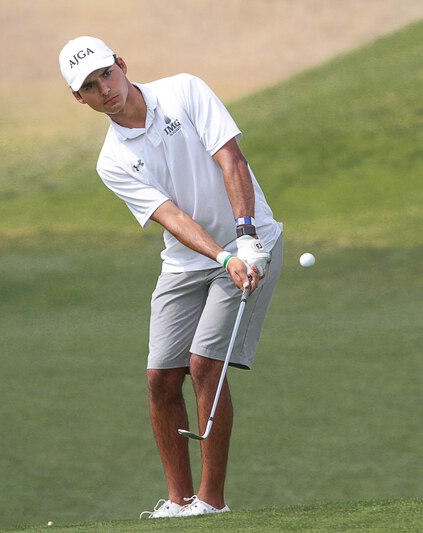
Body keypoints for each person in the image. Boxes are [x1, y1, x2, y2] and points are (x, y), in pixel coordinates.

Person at [58, 36, 283, 518]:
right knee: (161, 377)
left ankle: (212, 502)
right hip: (191, 258)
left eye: (107, 75)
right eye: (91, 87)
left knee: (203, 365)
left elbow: (231, 160)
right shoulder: (111, 161)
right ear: (80, 98)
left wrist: (245, 240)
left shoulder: (185, 90)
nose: (106, 90)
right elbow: (172, 218)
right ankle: (178, 504)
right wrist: (222, 256)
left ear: (122, 64)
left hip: (252, 242)